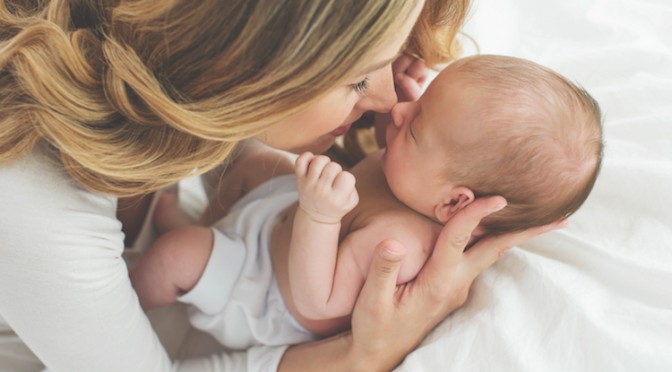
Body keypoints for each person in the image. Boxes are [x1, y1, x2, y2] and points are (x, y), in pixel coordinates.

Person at [0, 0, 563, 370]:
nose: (395, 102)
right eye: (358, 79)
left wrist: (365, 135)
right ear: (243, 69)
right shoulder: (34, 209)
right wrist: (364, 356)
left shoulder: (168, 71)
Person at [130, 54, 603, 347]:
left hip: (262, 287)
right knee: (253, 157)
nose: (397, 108)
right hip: (281, 221)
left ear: (455, 204)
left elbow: (319, 301)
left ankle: (134, 297)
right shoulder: (421, 178)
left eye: (414, 124)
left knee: (179, 254)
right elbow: (386, 141)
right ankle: (206, 224)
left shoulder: (399, 244)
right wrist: (403, 109)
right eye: (418, 101)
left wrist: (319, 215)